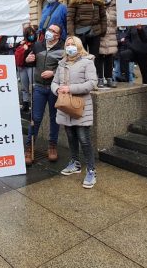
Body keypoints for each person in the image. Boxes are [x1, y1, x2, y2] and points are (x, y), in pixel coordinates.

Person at [53, 36, 98, 188]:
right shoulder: (61, 63)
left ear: (79, 46)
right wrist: (57, 89)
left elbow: (92, 83)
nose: (70, 46)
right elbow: (54, 82)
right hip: (65, 106)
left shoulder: (87, 62)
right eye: (67, 44)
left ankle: (91, 170)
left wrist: (70, 89)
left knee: (83, 138)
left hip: (80, 106)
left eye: (73, 44)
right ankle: (75, 163)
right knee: (70, 136)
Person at [25, 23, 65, 165]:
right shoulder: (37, 45)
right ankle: (29, 147)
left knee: (55, 118)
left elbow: (66, 68)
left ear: (57, 35)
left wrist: (53, 73)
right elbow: (29, 62)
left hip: (54, 88)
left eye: (53, 31)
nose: (49, 32)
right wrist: (27, 60)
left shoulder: (63, 47)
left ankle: (52, 146)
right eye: (48, 29)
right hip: (39, 87)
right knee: (35, 118)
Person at [67, 0, 106, 73]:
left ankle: (97, 78)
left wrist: (103, 30)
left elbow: (103, 16)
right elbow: (70, 19)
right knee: (81, 56)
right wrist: (72, 35)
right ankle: (82, 77)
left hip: (95, 31)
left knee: (95, 56)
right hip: (80, 32)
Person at [97, 0, 118, 88]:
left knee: (109, 58)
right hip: (100, 36)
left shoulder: (115, 6)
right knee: (99, 57)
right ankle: (100, 78)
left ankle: (109, 78)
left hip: (111, 36)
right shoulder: (98, 6)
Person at [14, 26, 37, 113]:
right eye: (29, 34)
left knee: (33, 86)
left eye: (32, 34)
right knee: (24, 87)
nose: (32, 36)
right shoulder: (22, 43)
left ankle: (35, 104)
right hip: (22, 67)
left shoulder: (36, 44)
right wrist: (22, 45)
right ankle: (25, 103)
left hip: (31, 67)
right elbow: (14, 48)